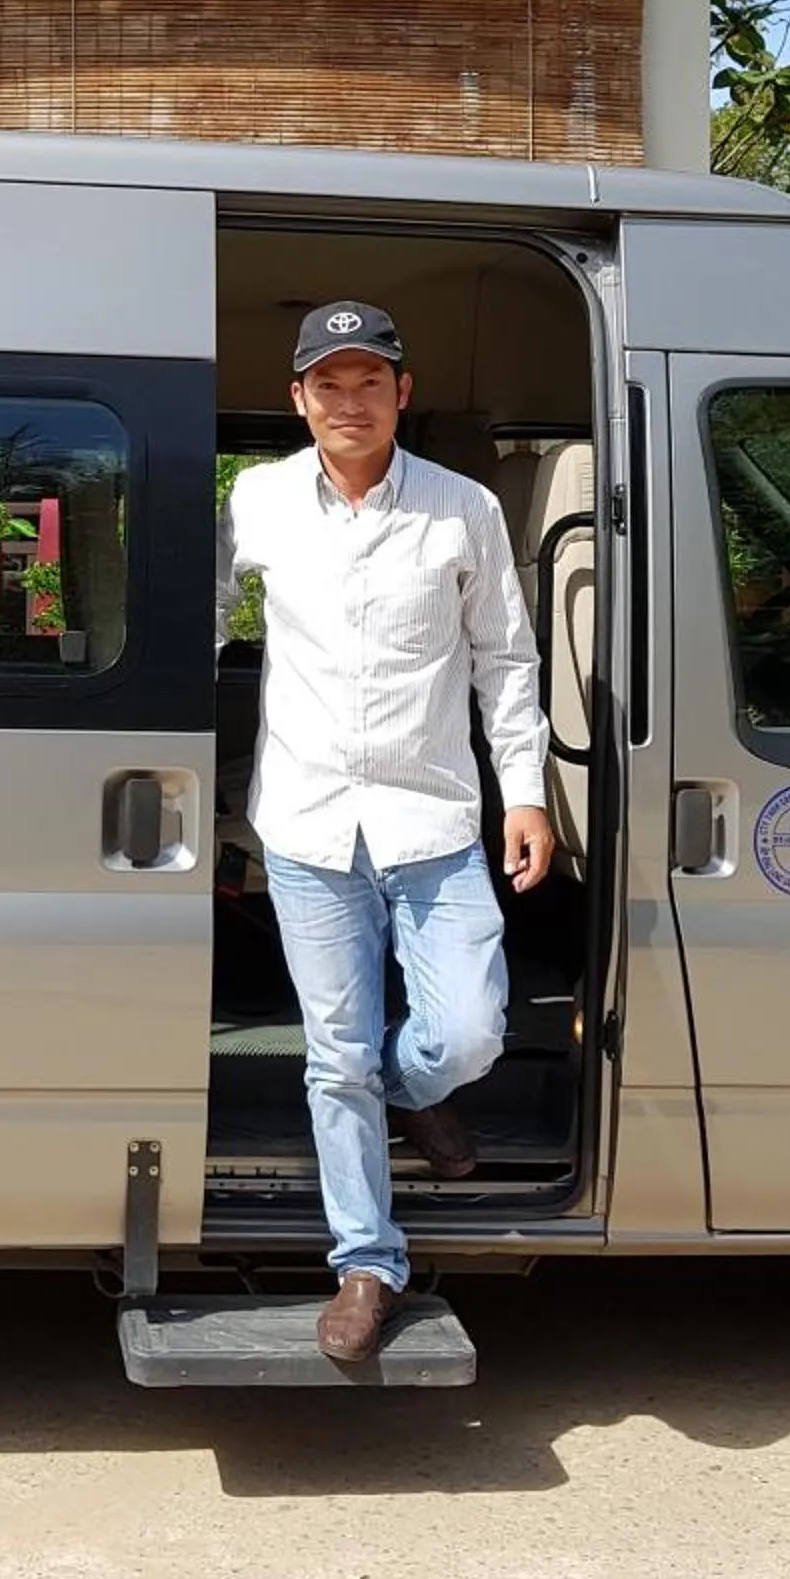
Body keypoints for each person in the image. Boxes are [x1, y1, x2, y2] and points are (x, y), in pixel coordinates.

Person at [218, 300, 555, 1364]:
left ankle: (417, 1097)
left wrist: (528, 792)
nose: (349, 401)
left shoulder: (463, 511)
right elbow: (187, 620)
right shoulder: (259, 498)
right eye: (329, 383)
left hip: (434, 819)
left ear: (403, 395)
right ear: (299, 399)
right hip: (308, 826)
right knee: (333, 1059)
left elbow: (506, 660)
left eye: (370, 382)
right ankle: (367, 1261)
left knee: (468, 1034)